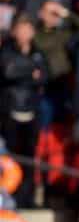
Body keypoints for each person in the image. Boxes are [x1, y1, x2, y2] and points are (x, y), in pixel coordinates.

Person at [0, 13, 48, 208]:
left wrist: (22, 71)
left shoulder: (38, 52)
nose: (24, 33)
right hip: (10, 112)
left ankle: (26, 199)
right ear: (14, 32)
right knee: (10, 158)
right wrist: (31, 72)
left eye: (28, 29)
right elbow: (8, 71)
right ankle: (9, 197)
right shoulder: (6, 51)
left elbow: (44, 76)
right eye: (20, 29)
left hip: (31, 112)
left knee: (29, 158)